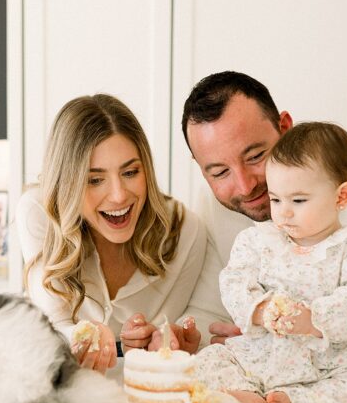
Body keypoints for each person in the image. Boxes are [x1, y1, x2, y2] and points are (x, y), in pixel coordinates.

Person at [180, 71, 347, 380]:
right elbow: (209, 314)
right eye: (219, 172)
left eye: (255, 156)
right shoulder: (216, 202)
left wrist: (283, 345)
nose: (244, 185)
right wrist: (180, 337)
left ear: (285, 128)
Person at [193, 122, 347, 403]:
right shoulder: (258, 240)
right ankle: (247, 394)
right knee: (206, 360)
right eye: (275, 199)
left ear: (341, 197)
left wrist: (314, 319)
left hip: (328, 364)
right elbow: (234, 281)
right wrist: (259, 310)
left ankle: (294, 400)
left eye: (298, 200)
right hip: (262, 355)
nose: (283, 212)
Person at [17, 94, 206, 373]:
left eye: (130, 172)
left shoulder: (184, 231)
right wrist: (82, 337)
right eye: (94, 180)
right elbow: (50, 326)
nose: (118, 196)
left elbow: (176, 332)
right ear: (66, 183)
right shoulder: (40, 211)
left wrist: (158, 338)